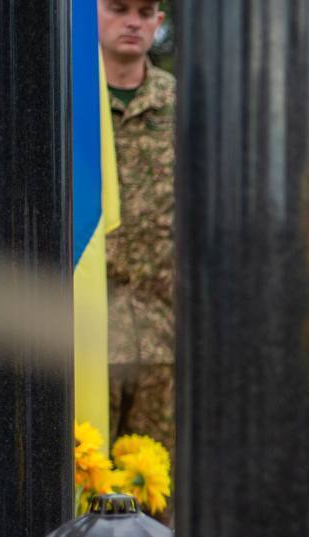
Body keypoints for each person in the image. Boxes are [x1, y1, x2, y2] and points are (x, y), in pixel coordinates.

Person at [99, 0, 176, 458]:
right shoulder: (66, 102)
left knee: (154, 493)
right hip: (81, 334)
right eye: (119, 8)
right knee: (77, 488)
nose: (133, 22)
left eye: (145, 12)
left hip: (164, 335)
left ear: (159, 23)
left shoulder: (184, 106)